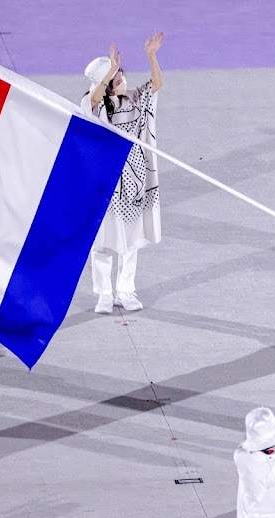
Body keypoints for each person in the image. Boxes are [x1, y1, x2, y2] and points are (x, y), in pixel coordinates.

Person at [81, 32, 164, 314]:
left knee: (130, 240)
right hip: (104, 183)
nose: (123, 82)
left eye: (122, 76)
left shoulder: (135, 100)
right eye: (117, 80)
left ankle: (126, 290)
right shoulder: (99, 107)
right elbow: (91, 102)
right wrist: (110, 72)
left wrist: (151, 56)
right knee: (103, 241)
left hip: (133, 180)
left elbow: (157, 84)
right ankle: (104, 294)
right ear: (104, 86)